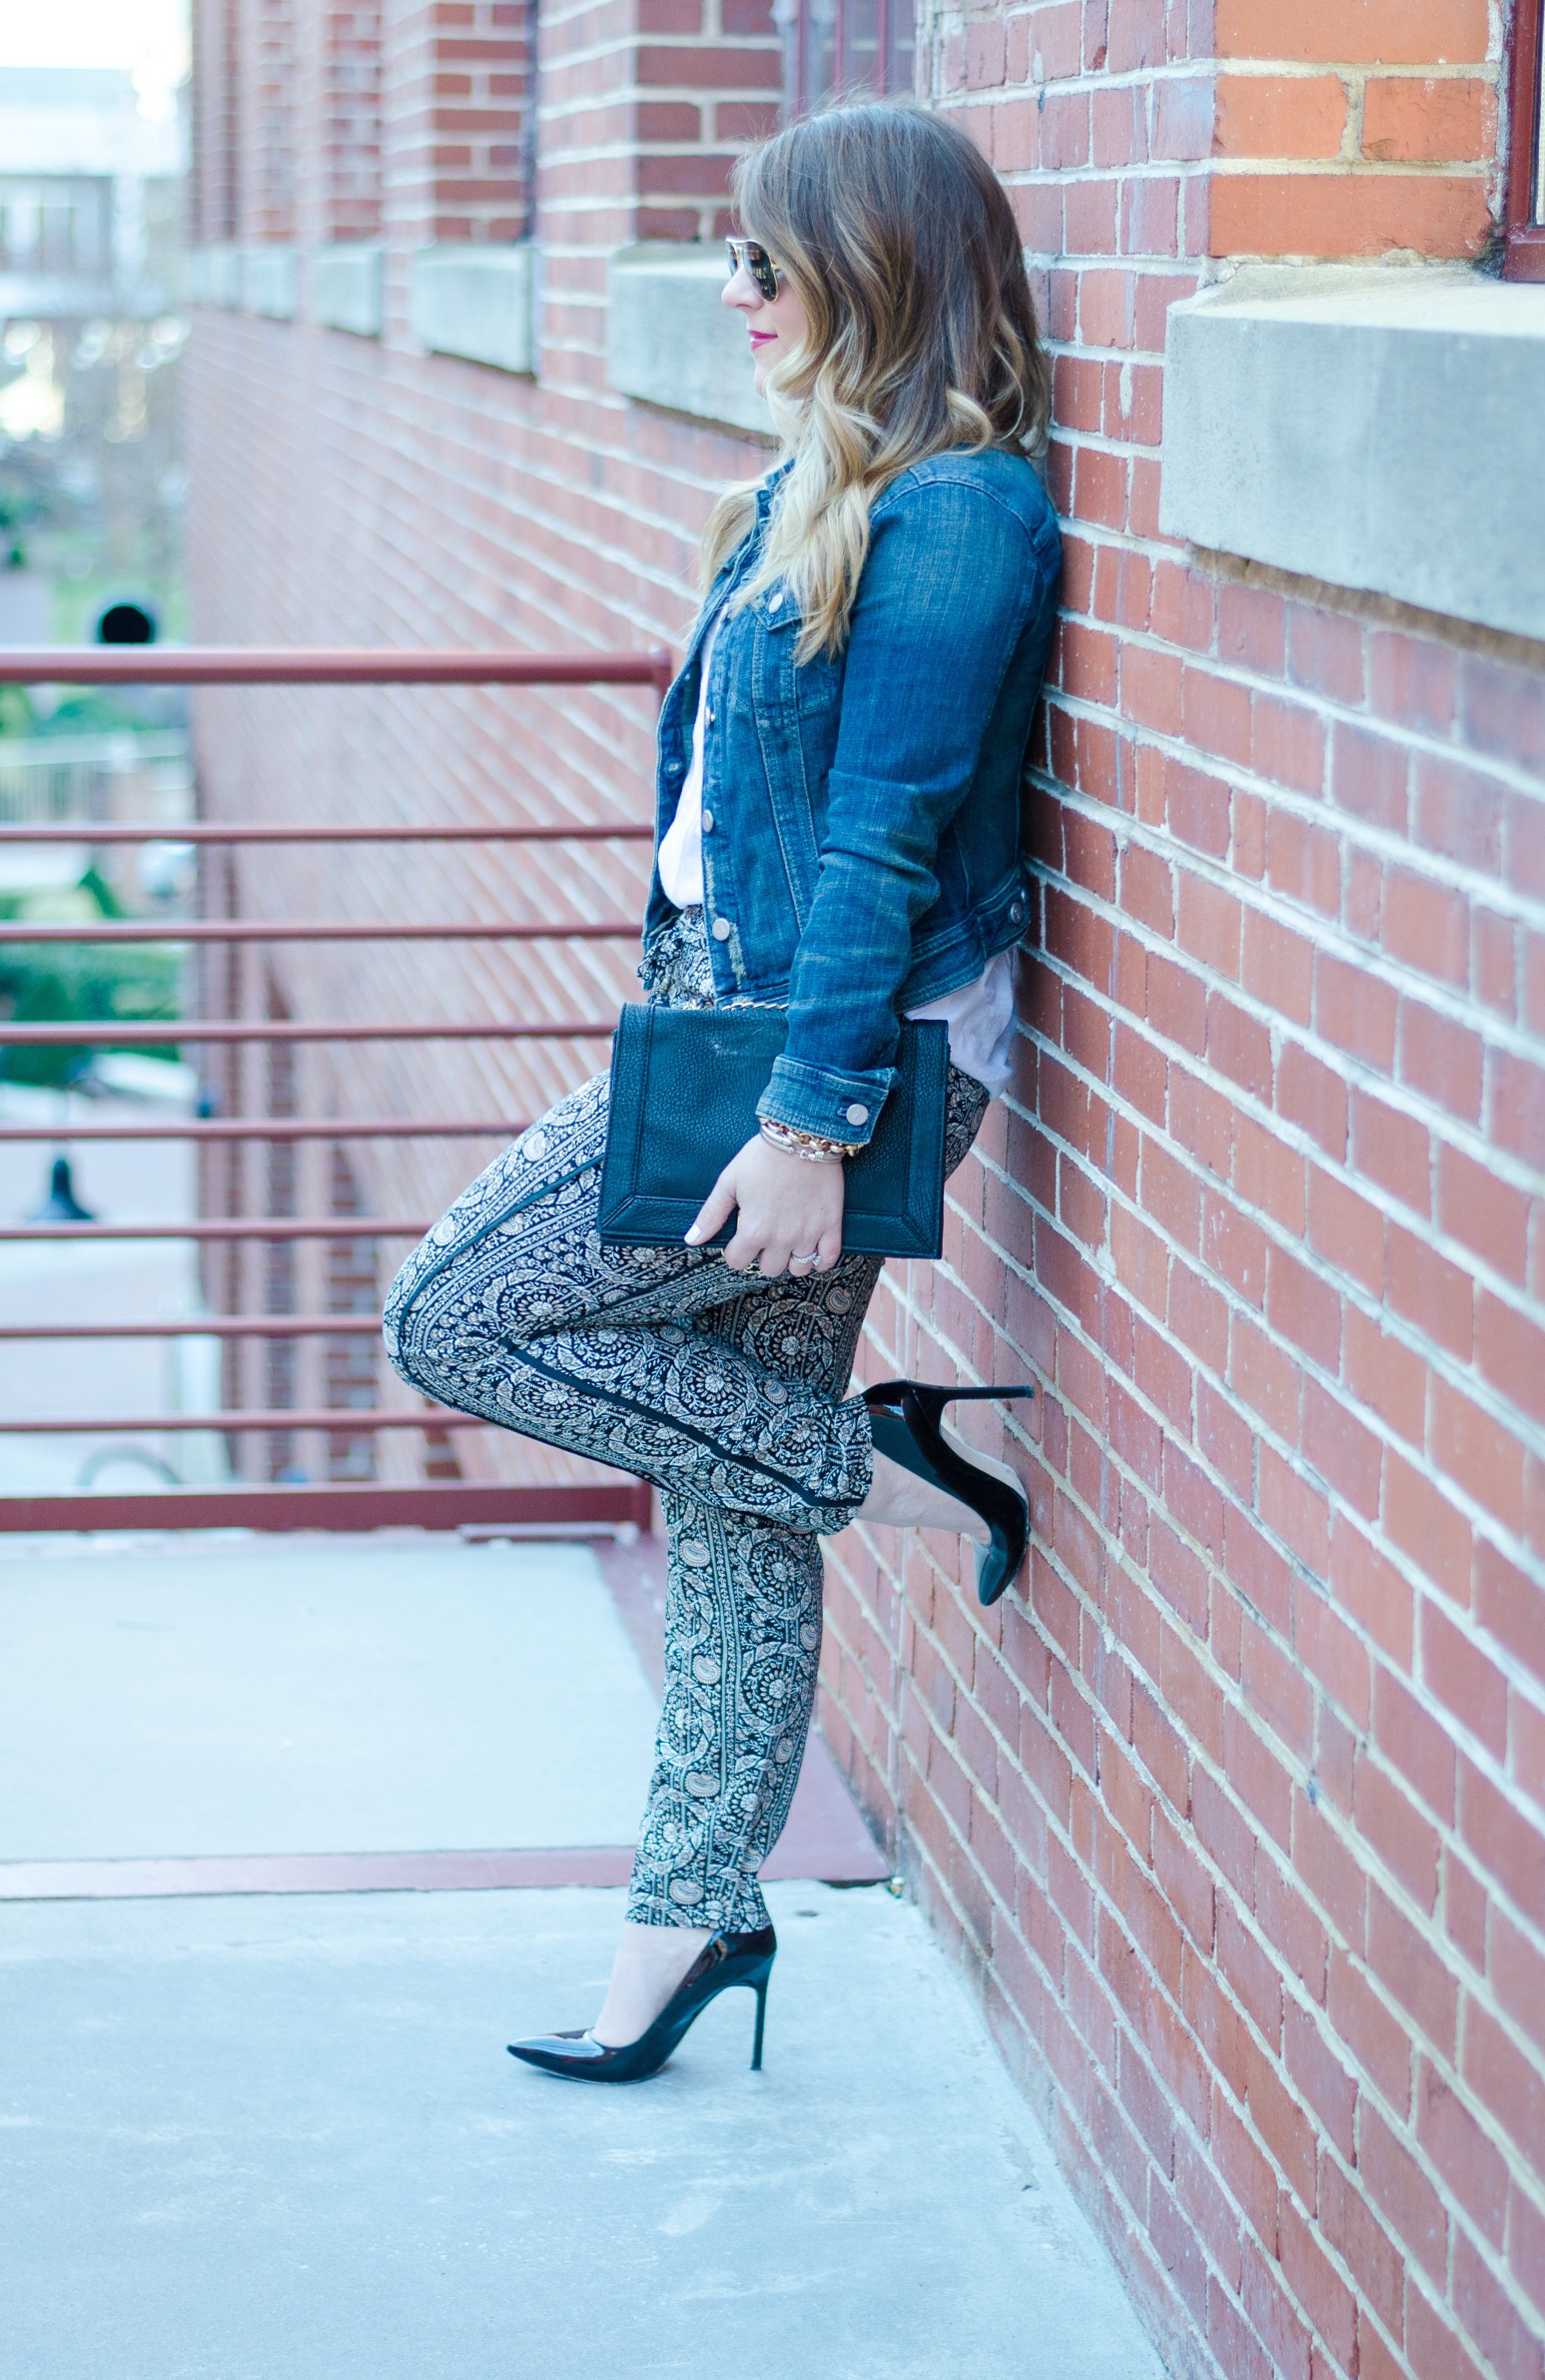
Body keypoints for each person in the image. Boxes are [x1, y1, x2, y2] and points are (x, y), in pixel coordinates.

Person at [385, 102, 1061, 2085]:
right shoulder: (820, 487)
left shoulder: (964, 513)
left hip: (836, 1051)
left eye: (770, 259)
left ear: (880, 270)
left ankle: (862, 1447)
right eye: (735, 257)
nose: (737, 290)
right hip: (740, 1014)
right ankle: (687, 1928)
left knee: (458, 1309)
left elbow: (883, 836)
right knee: (721, 1498)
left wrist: (809, 1118)